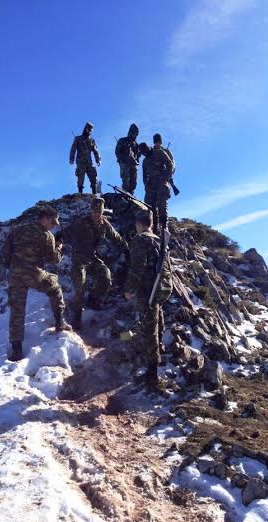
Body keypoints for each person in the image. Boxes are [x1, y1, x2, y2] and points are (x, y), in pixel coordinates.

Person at [0, 205, 72, 362]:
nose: (54, 225)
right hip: (34, 273)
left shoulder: (17, 229)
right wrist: (59, 248)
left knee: (17, 310)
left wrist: (12, 267)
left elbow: (4, 255)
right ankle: (60, 322)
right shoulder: (47, 236)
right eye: (52, 222)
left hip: (15, 274)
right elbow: (54, 259)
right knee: (55, 288)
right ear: (44, 218)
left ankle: (16, 348)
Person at [63, 197, 129, 329]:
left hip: (93, 258)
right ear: (90, 210)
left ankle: (92, 300)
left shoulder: (104, 224)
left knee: (106, 276)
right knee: (80, 285)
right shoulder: (81, 222)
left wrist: (128, 249)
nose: (96, 214)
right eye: (94, 211)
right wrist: (57, 242)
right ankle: (77, 317)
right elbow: (65, 233)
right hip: (79, 258)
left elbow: (117, 238)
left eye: (99, 211)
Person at [124, 210, 173, 387]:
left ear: (138, 224)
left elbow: (137, 267)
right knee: (156, 322)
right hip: (161, 288)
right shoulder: (159, 240)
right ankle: (157, 356)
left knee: (148, 328)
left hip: (148, 290)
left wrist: (129, 289)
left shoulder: (140, 240)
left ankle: (152, 374)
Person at [139, 134, 173, 234]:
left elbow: (170, 164)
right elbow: (144, 175)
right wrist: (146, 185)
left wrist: (166, 177)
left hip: (161, 183)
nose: (145, 154)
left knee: (162, 204)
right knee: (149, 207)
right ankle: (154, 229)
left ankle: (164, 227)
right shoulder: (145, 161)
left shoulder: (159, 153)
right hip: (151, 186)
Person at [69, 122, 101, 194]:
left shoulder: (92, 140)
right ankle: (80, 193)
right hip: (80, 161)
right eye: (88, 129)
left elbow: (96, 151)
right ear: (85, 129)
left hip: (89, 161)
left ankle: (94, 193)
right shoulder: (78, 139)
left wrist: (98, 159)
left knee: (93, 175)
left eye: (91, 130)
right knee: (81, 176)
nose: (89, 131)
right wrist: (72, 158)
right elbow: (73, 149)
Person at [115, 123, 139, 195]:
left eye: (136, 134)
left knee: (134, 182)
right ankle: (124, 197)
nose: (135, 135)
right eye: (134, 133)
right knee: (126, 181)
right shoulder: (122, 140)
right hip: (125, 164)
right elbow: (117, 152)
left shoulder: (136, 144)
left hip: (133, 165)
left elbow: (138, 155)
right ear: (130, 132)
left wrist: (136, 160)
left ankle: (131, 196)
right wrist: (122, 160)